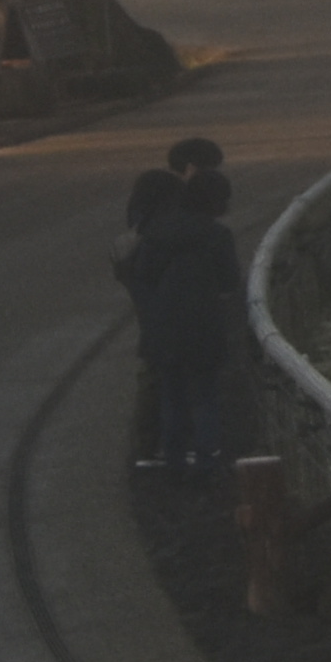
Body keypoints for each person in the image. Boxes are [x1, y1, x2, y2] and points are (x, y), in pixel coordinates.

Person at [111, 135, 225, 459]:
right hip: (182, 306)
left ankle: (158, 449)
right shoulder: (180, 203)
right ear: (192, 168)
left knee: (163, 376)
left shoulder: (148, 191)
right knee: (194, 386)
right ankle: (198, 451)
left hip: (152, 301)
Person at [135, 168, 245, 480]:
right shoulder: (218, 236)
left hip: (164, 325)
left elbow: (144, 274)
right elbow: (230, 280)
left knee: (173, 394)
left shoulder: (157, 233)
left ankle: (174, 459)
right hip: (204, 324)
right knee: (206, 394)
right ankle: (207, 459)